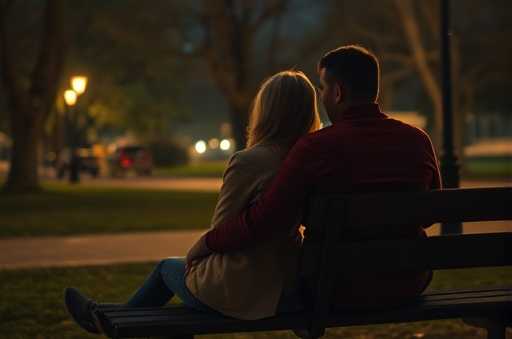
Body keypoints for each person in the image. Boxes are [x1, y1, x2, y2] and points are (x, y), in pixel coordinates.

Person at [187, 45, 442, 311]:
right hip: (407, 284)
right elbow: (430, 215)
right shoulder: (418, 139)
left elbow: (262, 221)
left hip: (337, 290)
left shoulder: (314, 149)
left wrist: (206, 242)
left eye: (322, 88)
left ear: (338, 92)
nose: (321, 97)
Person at [64, 70, 321, 334]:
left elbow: (221, 226)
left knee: (166, 269)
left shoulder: (249, 162)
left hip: (244, 291)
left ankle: (105, 319)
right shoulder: (310, 162)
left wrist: (199, 253)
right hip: (288, 291)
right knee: (176, 311)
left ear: (266, 112)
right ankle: (105, 313)